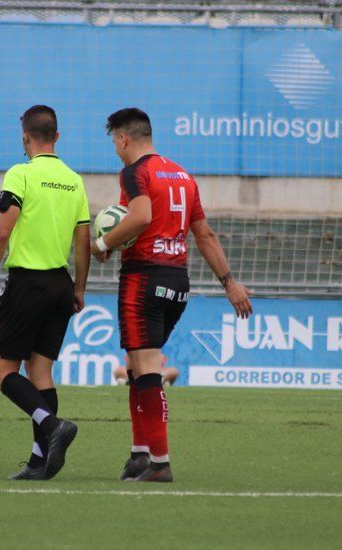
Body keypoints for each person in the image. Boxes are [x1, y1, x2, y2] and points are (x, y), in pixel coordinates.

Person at [92, 107, 253, 482]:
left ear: (123, 138)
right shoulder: (182, 175)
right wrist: (229, 283)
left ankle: (160, 463)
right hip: (178, 280)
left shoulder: (135, 172)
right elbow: (205, 234)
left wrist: (102, 243)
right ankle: (139, 453)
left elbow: (141, 217)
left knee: (147, 368)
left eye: (114, 142)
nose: (115, 150)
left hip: (143, 278)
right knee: (136, 364)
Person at [0, 105, 89, 480]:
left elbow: (1, 232)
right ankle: (39, 461)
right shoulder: (74, 180)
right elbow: (83, 242)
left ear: (25, 137)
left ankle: (51, 424)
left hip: (29, 282)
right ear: (57, 137)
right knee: (40, 372)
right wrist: (80, 288)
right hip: (61, 284)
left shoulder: (20, 173)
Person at [113, 353, 178, 387]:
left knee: (173, 370)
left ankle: (160, 380)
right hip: (137, 374)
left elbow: (174, 372)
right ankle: (130, 381)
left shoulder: (155, 349)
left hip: (156, 374)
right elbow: (118, 371)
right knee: (120, 370)